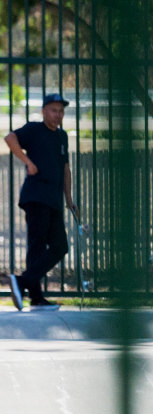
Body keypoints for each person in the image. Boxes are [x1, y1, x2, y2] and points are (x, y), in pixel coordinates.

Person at [5, 93, 79, 311]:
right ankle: (35, 297)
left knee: (60, 246)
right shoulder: (34, 129)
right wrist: (27, 162)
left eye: (61, 111)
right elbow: (10, 138)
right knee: (36, 246)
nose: (58, 115)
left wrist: (69, 198)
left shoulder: (62, 136)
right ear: (44, 111)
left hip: (54, 199)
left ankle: (22, 283)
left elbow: (66, 168)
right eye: (54, 110)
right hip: (36, 196)